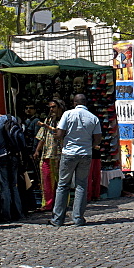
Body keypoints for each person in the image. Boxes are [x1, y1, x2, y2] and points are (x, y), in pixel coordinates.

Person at [51, 94, 102, 227]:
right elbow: (97, 139)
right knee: (81, 186)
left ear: (74, 103)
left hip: (69, 153)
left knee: (63, 185)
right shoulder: (93, 118)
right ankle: (78, 218)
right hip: (85, 154)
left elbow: (60, 134)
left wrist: (57, 135)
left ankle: (58, 219)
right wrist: (88, 144)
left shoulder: (68, 114)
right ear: (86, 103)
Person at [0, 105, 23, 222]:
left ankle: (6, 215)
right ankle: (18, 212)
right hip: (14, 154)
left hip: (1, 155)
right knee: (14, 185)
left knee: (4, 185)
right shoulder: (12, 118)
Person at [34, 98, 65, 212]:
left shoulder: (64, 120)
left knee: (61, 181)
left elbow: (58, 133)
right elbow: (42, 137)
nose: (51, 109)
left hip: (61, 154)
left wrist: (45, 125)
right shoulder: (48, 120)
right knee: (46, 180)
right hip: (47, 154)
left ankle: (61, 204)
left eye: (54, 107)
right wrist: (37, 150)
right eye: (50, 107)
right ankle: (47, 204)